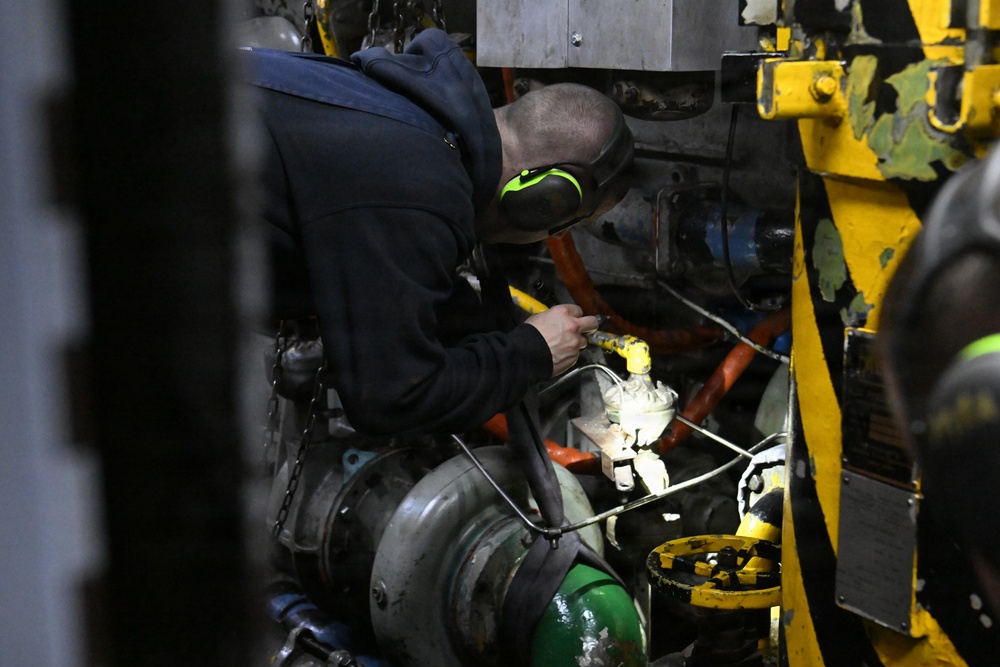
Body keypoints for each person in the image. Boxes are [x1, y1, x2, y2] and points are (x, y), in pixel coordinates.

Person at [242, 28, 634, 436]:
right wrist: (533, 352)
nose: (553, 236)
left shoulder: (415, 122)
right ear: (543, 198)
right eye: (567, 223)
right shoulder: (414, 184)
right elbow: (392, 398)